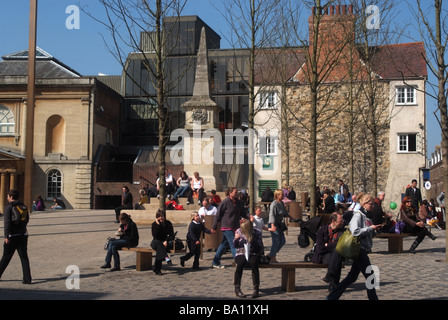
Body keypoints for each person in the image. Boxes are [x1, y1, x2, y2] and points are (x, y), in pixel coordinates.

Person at [327, 194, 382, 300]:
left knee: (351, 278)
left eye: (373, 204)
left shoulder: (368, 216)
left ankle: (332, 297)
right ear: (364, 204)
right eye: (371, 204)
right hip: (358, 249)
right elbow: (355, 231)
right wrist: (370, 228)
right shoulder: (358, 215)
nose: (373, 206)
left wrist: (374, 230)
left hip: (363, 249)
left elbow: (368, 233)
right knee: (371, 277)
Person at [211, 187, 249, 268]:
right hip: (227, 226)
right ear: (230, 193)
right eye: (235, 192)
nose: (237, 193)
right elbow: (218, 215)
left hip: (235, 226)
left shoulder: (239, 202)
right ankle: (239, 262)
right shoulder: (225, 202)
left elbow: (243, 212)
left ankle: (215, 261)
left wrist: (249, 216)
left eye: (237, 192)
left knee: (224, 244)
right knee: (233, 244)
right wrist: (214, 226)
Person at [0, 189, 32, 284]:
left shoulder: (9, 207)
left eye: (8, 196)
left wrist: (6, 236)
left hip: (12, 236)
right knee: (24, 258)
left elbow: (7, 223)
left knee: (6, 257)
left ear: (11, 197)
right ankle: (27, 279)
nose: (7, 197)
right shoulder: (23, 207)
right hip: (22, 235)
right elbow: (26, 220)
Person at [233, 218, 264, 298]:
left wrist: (253, 243)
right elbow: (235, 246)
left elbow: (260, 246)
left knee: (254, 263)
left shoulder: (257, 232)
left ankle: (256, 288)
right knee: (240, 263)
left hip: (253, 252)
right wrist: (236, 239)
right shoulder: (239, 231)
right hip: (241, 252)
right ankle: (237, 288)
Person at [313, 213, 344, 291]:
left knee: (336, 254)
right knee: (336, 255)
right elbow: (320, 248)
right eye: (340, 221)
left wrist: (328, 245)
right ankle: (333, 283)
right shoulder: (322, 230)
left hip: (336, 254)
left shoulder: (342, 231)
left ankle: (329, 275)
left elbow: (342, 244)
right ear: (333, 221)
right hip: (323, 255)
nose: (342, 223)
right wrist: (332, 245)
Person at [268, 189, 294, 263]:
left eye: (283, 194)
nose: (282, 196)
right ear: (277, 195)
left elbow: (284, 213)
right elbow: (271, 215)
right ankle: (273, 257)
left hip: (279, 224)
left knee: (282, 241)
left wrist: (291, 217)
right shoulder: (274, 204)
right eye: (281, 194)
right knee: (276, 241)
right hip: (274, 224)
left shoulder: (282, 203)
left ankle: (271, 254)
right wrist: (272, 225)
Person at [151, 209, 175, 275]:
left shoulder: (168, 223)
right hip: (156, 242)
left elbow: (172, 235)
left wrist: (166, 241)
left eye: (162, 216)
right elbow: (155, 235)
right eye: (159, 216)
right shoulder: (154, 224)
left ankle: (157, 269)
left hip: (165, 243)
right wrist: (158, 225)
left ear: (164, 216)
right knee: (159, 244)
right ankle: (166, 257)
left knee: (160, 250)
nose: (160, 218)